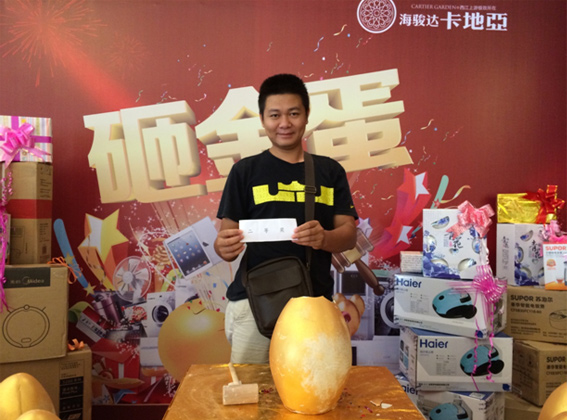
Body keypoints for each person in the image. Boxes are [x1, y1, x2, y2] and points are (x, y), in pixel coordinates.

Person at [214, 73, 358, 364]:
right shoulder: (245, 171)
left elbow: (349, 234)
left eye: (293, 113)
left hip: (314, 303)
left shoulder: (329, 171)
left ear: (306, 115)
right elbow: (225, 237)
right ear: (262, 119)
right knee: (250, 387)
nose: (284, 123)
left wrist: (324, 238)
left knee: (312, 386)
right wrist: (224, 247)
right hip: (255, 302)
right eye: (274, 115)